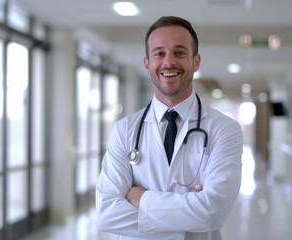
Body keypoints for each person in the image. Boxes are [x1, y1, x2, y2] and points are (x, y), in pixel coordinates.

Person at [95, 16, 243, 240]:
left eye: (180, 52)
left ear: (196, 61)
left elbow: (213, 212)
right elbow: (107, 214)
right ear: (147, 63)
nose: (168, 62)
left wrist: (143, 200)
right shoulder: (125, 130)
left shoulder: (224, 129)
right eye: (159, 53)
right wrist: (190, 213)